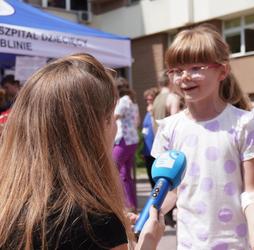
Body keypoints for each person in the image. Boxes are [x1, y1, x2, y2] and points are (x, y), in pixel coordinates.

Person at [0, 53, 165, 250]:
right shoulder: (96, 222)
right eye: (111, 117)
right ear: (93, 130)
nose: (115, 125)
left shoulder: (8, 206)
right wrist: (147, 243)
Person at [152, 25, 254, 249]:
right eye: (176, 70)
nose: (185, 77)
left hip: (235, 243)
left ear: (222, 71)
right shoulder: (168, 128)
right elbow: (169, 190)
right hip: (189, 243)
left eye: (196, 67)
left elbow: (252, 190)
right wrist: (149, 213)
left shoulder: (242, 123)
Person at [113, 77, 140, 212]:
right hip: (132, 139)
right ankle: (131, 205)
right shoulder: (133, 101)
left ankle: (121, 204)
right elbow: (137, 121)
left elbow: (114, 117)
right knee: (125, 174)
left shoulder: (123, 101)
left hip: (124, 138)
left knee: (112, 169)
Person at [142, 87, 159, 188]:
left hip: (154, 148)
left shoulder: (154, 112)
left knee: (155, 179)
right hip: (147, 149)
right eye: (147, 100)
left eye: (150, 99)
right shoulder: (147, 111)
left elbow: (155, 128)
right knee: (150, 178)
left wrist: (152, 114)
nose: (148, 102)